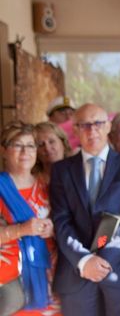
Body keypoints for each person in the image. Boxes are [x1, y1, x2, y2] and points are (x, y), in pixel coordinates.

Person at [49, 103, 120, 316]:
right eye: (85, 125)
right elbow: (61, 220)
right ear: (75, 130)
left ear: (108, 126)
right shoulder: (61, 170)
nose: (92, 130)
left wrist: (106, 260)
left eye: (98, 123)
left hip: (118, 271)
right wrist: (84, 260)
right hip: (76, 273)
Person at [0, 121, 59, 315]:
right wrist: (21, 230)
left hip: (48, 273)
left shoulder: (47, 186)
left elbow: (65, 225)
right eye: (17, 145)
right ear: (4, 151)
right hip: (10, 277)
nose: (25, 151)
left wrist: (53, 229)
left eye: (30, 145)